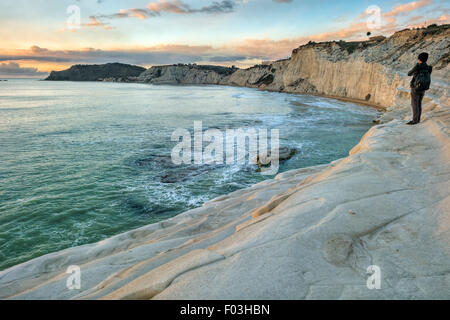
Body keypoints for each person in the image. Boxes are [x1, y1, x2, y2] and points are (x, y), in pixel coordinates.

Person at [407, 52, 432, 125]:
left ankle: (414, 121)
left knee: (414, 104)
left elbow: (409, 74)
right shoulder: (429, 67)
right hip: (423, 88)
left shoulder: (417, 66)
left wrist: (416, 67)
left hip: (415, 87)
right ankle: (418, 120)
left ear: (419, 59)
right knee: (419, 104)